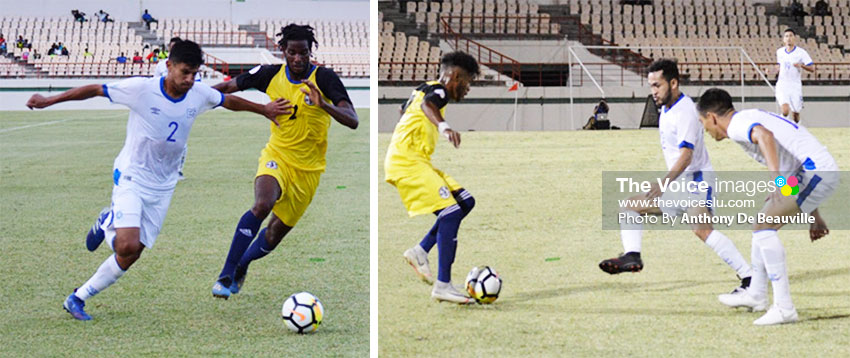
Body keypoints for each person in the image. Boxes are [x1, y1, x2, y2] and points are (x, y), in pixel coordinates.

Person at [25, 40, 293, 321]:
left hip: (164, 186)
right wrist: (49, 100)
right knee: (126, 245)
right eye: (185, 72)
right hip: (132, 176)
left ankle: (78, 297)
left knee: (133, 253)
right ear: (169, 66)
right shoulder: (143, 89)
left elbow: (227, 101)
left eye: (194, 73)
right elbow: (95, 89)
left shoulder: (198, 92)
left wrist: (264, 109)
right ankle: (107, 222)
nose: (190, 79)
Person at [209, 24, 359, 299]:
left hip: (309, 170)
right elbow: (227, 86)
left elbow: (353, 120)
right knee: (262, 204)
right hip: (277, 155)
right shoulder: (269, 74)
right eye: (292, 52)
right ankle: (226, 273)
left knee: (274, 235)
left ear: (310, 51)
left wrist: (323, 105)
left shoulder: (324, 78)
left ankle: (242, 264)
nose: (299, 59)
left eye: (304, 53)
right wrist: (195, 97)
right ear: (283, 51)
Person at [598, 60, 753, 294]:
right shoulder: (666, 107)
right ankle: (632, 256)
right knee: (630, 206)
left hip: (697, 181)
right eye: (650, 86)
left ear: (673, 83)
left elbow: (687, 155)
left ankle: (749, 277)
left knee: (702, 230)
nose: (653, 91)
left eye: (657, 85)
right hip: (680, 182)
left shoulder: (686, 112)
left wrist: (663, 182)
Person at [697, 88, 838, 325]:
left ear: (712, 117)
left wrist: (776, 180)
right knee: (761, 222)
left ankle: (784, 308)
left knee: (764, 227)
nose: (705, 130)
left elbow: (766, 136)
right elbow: (791, 158)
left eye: (703, 123)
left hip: (815, 171)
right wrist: (815, 215)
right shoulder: (746, 117)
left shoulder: (735, 125)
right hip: (810, 170)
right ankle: (757, 295)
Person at [386, 51, 479, 304]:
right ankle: (443, 285)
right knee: (449, 212)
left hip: (416, 160)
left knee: (465, 202)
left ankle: (420, 251)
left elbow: (405, 109)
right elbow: (429, 105)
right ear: (456, 76)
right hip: (406, 162)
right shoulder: (438, 92)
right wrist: (444, 127)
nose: (468, 88)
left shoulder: (423, 88)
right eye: (468, 82)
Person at [156, 37, 198, 180]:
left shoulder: (189, 66)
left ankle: (177, 170)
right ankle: (159, 169)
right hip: (162, 107)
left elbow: (197, 87)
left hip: (181, 107)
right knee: (159, 139)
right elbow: (155, 83)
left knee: (179, 140)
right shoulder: (161, 65)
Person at [772, 29, 814, 123]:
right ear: (783, 39)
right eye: (786, 36)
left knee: (795, 113)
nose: (788, 38)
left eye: (791, 36)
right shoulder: (780, 52)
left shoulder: (801, 52)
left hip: (795, 85)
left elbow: (812, 68)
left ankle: (797, 128)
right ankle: (782, 125)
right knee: (785, 110)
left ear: (794, 38)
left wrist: (801, 65)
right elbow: (779, 66)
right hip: (782, 84)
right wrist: (772, 71)